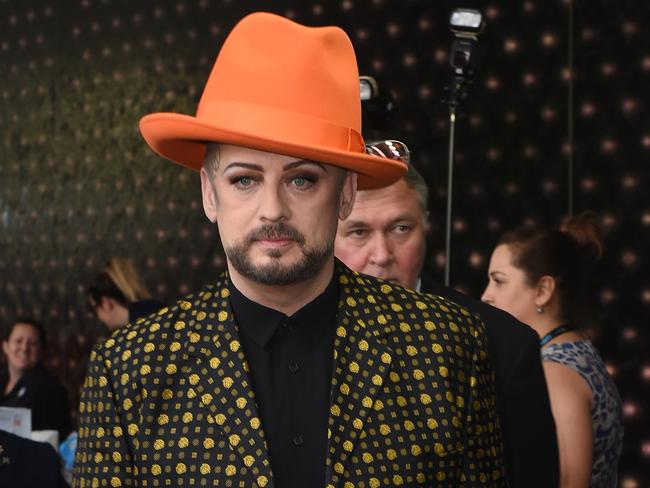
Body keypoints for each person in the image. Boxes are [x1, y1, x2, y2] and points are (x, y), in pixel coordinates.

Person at [73, 12, 506, 487]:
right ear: (209, 194)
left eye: (301, 179)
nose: (272, 210)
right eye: (244, 180)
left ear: (345, 194)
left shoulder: (447, 347)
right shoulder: (130, 369)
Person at [335, 159, 560, 487]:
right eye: (359, 232)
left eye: (401, 228)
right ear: (327, 232)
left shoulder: (503, 343)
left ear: (425, 227)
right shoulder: (294, 334)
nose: (381, 254)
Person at [482, 212, 624, 487]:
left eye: (499, 280)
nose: (486, 295)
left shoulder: (554, 373)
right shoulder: (576, 350)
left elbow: (571, 483)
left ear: (543, 290)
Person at [0, 318, 72, 441]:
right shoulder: (2, 377)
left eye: (33, 343)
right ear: (5, 346)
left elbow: (55, 441)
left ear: (41, 351)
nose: (24, 348)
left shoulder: (49, 388)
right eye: (18, 341)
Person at [87, 257, 163, 331]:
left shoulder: (128, 337)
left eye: (94, 310)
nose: (98, 317)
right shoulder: (156, 309)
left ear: (105, 303)